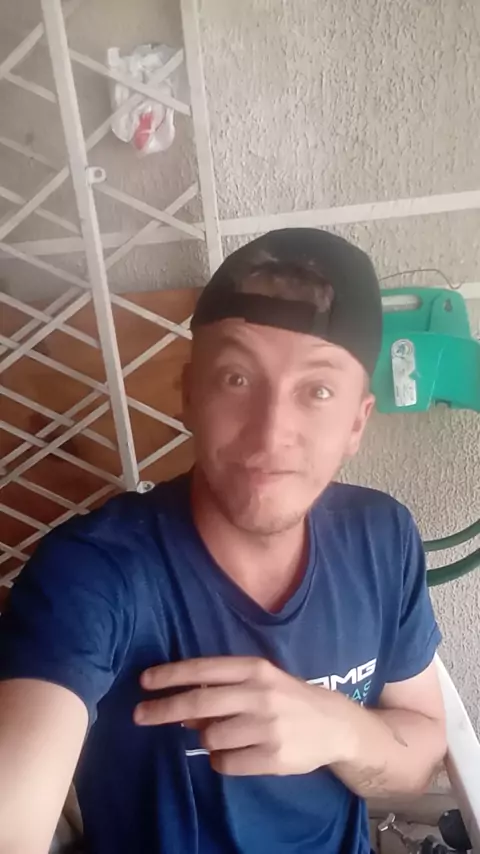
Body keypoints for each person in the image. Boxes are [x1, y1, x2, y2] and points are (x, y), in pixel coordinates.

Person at [0, 229, 446, 854]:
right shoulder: (94, 572)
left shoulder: (383, 537)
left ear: (356, 422)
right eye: (237, 378)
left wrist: (338, 727)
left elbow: (422, 748)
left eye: (317, 391)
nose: (271, 432)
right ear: (188, 395)